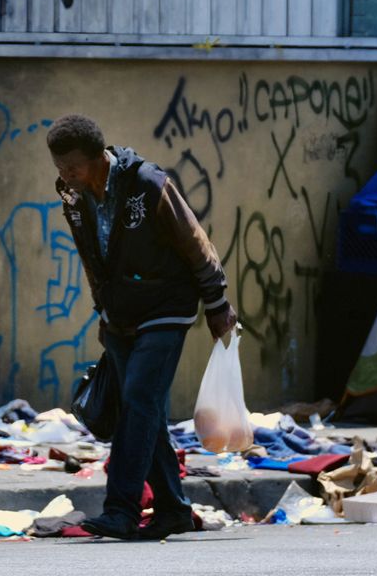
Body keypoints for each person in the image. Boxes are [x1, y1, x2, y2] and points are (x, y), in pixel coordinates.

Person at [46, 114, 237, 540]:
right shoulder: (73, 197)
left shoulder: (147, 183)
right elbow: (91, 258)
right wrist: (103, 311)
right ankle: (172, 509)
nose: (66, 175)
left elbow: (195, 241)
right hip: (120, 314)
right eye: (60, 168)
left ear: (98, 157)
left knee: (137, 399)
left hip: (166, 307)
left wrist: (217, 303)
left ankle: (121, 509)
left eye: (73, 166)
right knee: (142, 410)